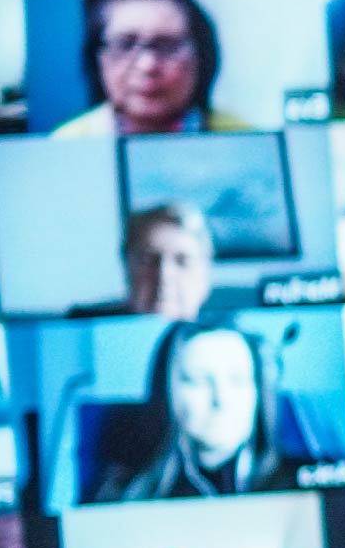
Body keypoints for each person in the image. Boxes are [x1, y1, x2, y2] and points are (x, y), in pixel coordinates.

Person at [88, 321, 305, 504]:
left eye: (238, 380)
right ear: (167, 392)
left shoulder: (303, 480)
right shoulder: (123, 494)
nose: (221, 400)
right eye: (198, 381)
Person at [56, 0, 250, 137]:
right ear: (98, 58)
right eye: (125, 45)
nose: (147, 65)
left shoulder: (245, 140)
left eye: (167, 46)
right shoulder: (67, 146)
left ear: (201, 56)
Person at [70, 204, 216, 319]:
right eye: (148, 260)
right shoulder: (79, 333)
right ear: (127, 267)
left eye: (182, 261)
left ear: (205, 277)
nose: (164, 275)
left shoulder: (228, 342)